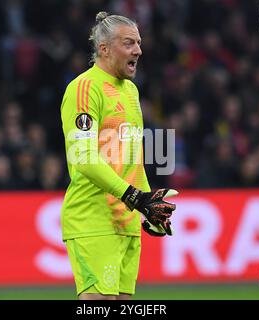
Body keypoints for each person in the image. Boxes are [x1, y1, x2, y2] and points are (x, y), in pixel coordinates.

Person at [60, 11, 178, 300]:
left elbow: (131, 158)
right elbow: (84, 158)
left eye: (138, 43)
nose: (138, 50)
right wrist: (133, 196)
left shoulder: (131, 91)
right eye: (129, 43)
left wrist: (150, 205)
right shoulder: (85, 88)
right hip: (93, 219)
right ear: (104, 49)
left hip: (126, 221)